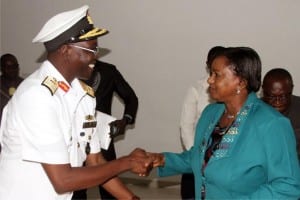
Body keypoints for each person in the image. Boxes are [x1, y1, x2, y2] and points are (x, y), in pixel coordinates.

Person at [0, 5, 152, 199]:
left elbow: (95, 161)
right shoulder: (37, 96)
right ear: (65, 50)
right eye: (90, 50)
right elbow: (63, 180)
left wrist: (132, 199)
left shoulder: (83, 95)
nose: (95, 57)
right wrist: (126, 162)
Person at [147, 47, 300, 199]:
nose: (209, 80)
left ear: (241, 82)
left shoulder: (272, 124)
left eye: (216, 75)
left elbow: (287, 186)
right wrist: (161, 160)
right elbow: (202, 158)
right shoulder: (211, 113)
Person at [73, 60, 138, 200]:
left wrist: (125, 120)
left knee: (108, 185)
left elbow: (131, 98)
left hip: (102, 137)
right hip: (74, 141)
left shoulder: (108, 71)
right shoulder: (68, 72)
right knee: (76, 190)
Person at [179, 46, 224, 199]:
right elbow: (186, 125)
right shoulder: (197, 88)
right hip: (198, 152)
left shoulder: (230, 89)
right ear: (208, 64)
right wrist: (196, 156)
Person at [262, 68, 300, 160]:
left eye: (282, 96)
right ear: (263, 91)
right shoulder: (252, 111)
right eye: (272, 96)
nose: (277, 102)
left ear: (291, 89)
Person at [0, 53, 23, 123]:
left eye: (14, 66)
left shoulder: (25, 84)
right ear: (1, 68)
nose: (12, 70)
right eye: (8, 67)